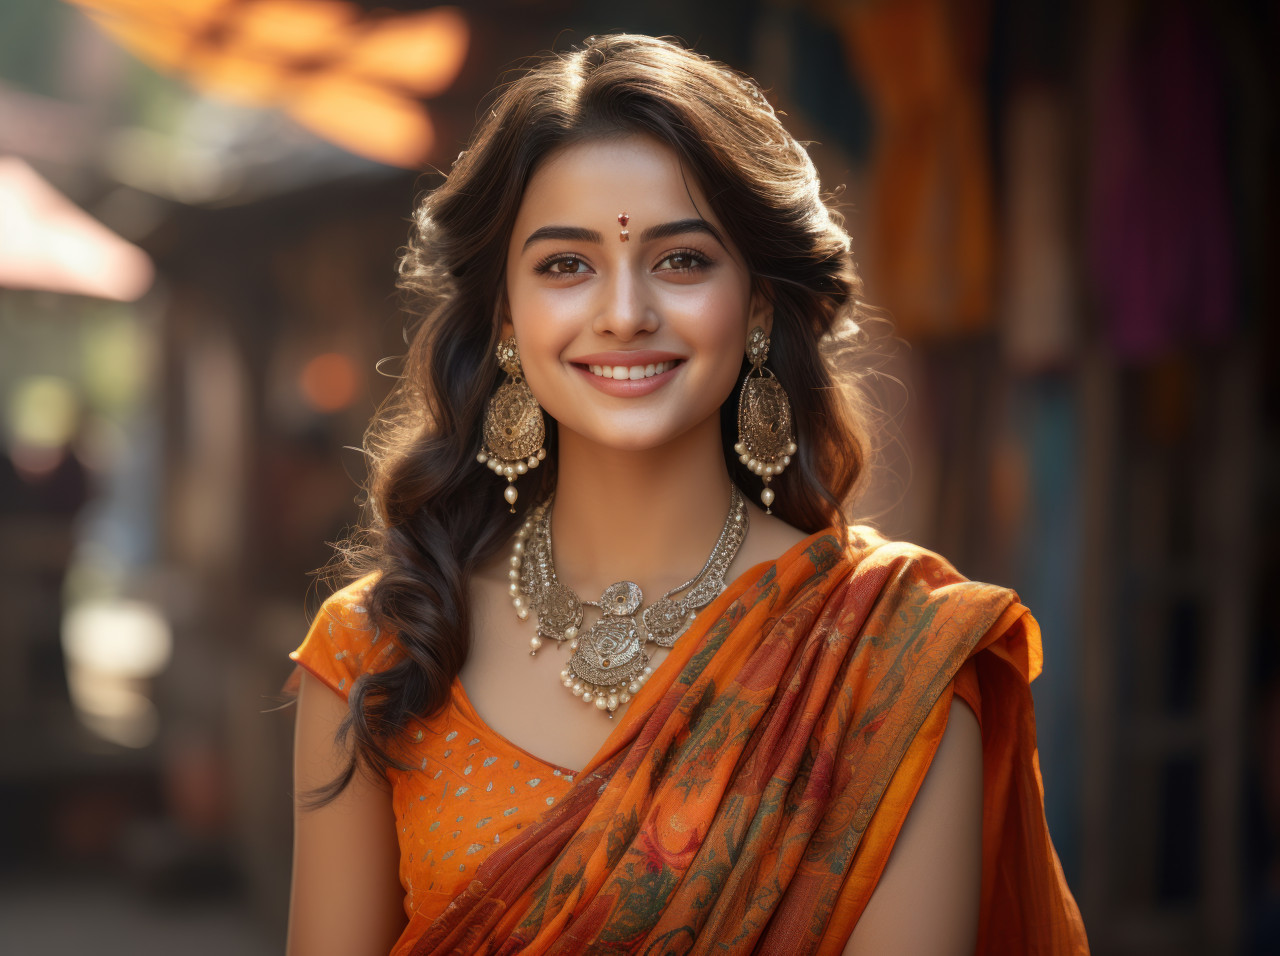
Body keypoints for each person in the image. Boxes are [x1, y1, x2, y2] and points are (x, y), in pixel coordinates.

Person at [285, 34, 1089, 956]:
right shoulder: (381, 650)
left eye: (681, 261)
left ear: (756, 305)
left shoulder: (889, 662)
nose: (625, 312)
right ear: (506, 315)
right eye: (565, 265)